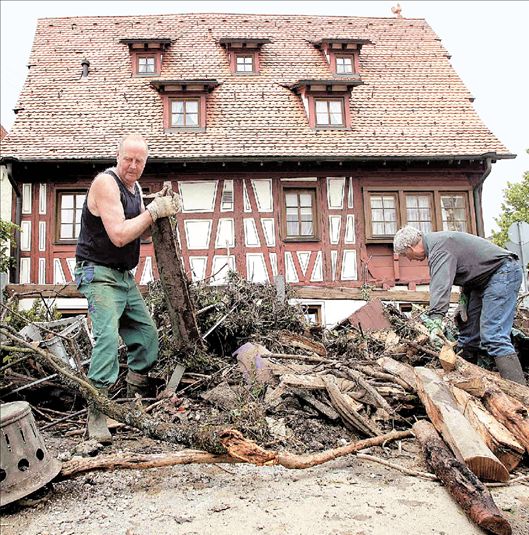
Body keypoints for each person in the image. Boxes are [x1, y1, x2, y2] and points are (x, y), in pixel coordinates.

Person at [74, 134, 181, 443]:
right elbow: (120, 235)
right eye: (128, 159)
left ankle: (134, 400)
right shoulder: (106, 184)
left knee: (147, 337)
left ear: (145, 163)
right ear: (117, 155)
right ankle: (96, 412)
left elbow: (139, 232)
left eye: (140, 161)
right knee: (107, 337)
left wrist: (162, 211)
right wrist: (153, 212)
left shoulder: (134, 190)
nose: (133, 165)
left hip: (123, 276)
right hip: (98, 274)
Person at [393, 226, 526, 385]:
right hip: (482, 281)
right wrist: (464, 301)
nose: (408, 259)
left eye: (405, 254)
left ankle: (520, 391)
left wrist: (435, 319)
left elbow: (441, 285)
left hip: (503, 272)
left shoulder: (440, 247)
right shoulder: (438, 245)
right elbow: (470, 272)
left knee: (494, 334)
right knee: (468, 335)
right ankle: (466, 383)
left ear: (410, 247)